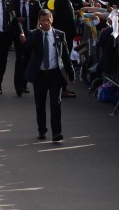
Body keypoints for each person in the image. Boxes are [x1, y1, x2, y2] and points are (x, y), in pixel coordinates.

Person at [24, 9, 75, 142]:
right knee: (40, 104)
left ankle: (56, 133)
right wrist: (34, 34)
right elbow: (27, 47)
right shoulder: (34, 34)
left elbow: (65, 56)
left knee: (55, 103)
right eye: (43, 20)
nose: (46, 23)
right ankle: (42, 130)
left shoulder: (59, 35)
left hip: (55, 74)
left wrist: (71, 74)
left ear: (52, 19)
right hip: (40, 75)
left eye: (48, 20)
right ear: (39, 21)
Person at [11, 0, 41, 97]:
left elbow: (40, 17)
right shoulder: (14, 3)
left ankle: (24, 84)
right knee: (19, 60)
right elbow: (11, 17)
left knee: (28, 61)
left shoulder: (35, 3)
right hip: (18, 36)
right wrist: (17, 19)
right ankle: (18, 85)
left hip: (31, 37)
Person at [51, 0, 78, 99]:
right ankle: (62, 88)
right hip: (65, 34)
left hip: (63, 33)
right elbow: (69, 19)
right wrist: (75, 32)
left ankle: (62, 87)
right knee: (63, 62)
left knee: (62, 61)